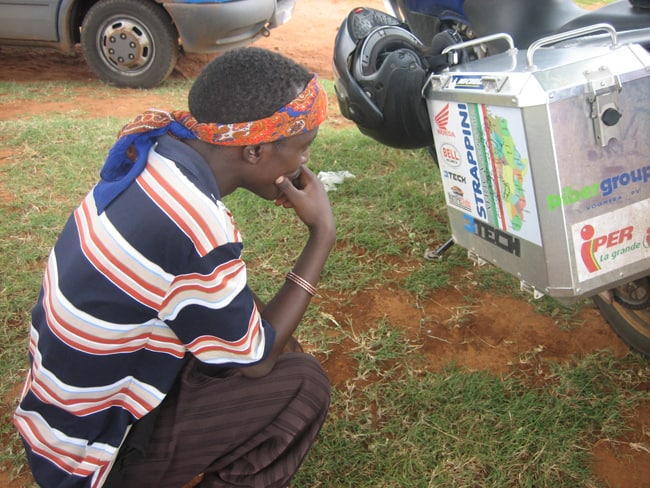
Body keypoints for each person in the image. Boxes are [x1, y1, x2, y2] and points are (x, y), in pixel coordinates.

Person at [13, 47, 336, 488]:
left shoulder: (161, 155)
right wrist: (322, 235)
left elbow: (223, 303)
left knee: (255, 328)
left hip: (58, 423)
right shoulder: (193, 221)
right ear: (256, 150)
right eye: (302, 149)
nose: (303, 164)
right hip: (92, 458)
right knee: (303, 385)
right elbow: (257, 363)